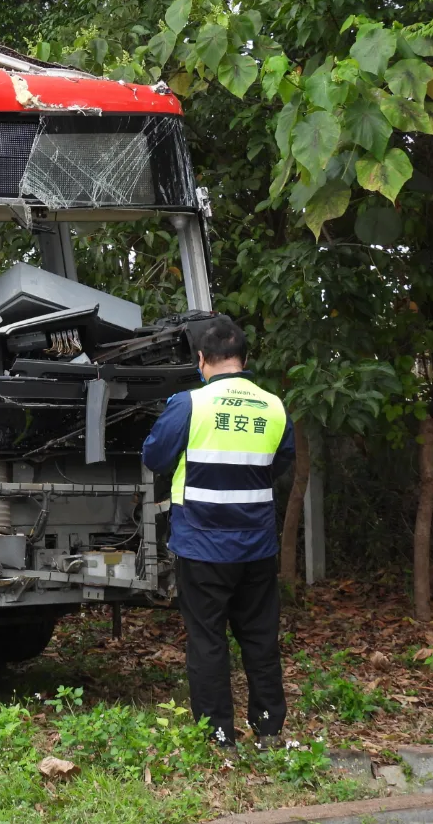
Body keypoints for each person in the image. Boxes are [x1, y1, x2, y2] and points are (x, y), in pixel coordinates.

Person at [142, 316, 295, 751]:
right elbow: (280, 462)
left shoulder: (190, 403)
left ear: (202, 360)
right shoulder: (274, 406)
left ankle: (219, 735)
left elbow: (155, 457)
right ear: (245, 360)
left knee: (208, 640)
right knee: (261, 638)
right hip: (257, 547)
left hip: (202, 546)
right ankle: (268, 729)